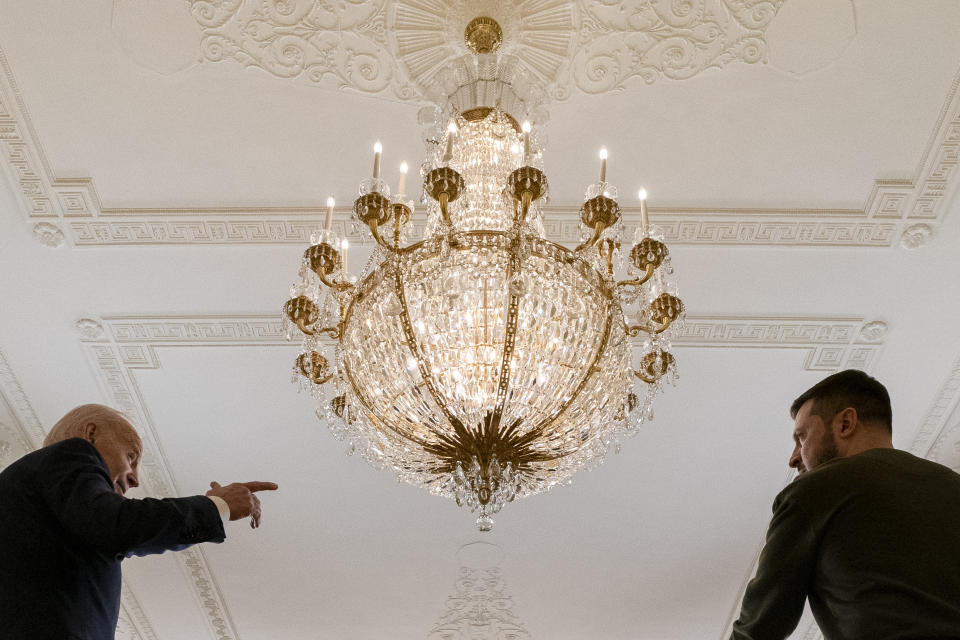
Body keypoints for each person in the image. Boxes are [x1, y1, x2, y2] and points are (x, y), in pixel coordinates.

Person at [0, 403, 278, 640]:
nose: (135, 478)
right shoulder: (71, 454)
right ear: (91, 433)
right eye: (131, 456)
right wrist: (217, 507)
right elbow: (117, 524)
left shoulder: (43, 507)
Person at [730, 369, 960, 639]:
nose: (793, 458)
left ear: (845, 423)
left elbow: (760, 627)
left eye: (801, 437)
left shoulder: (815, 490)